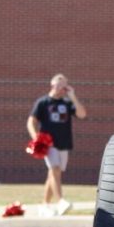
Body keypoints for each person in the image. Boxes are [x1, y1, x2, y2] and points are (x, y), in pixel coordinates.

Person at [28, 75, 86, 214]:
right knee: (55, 169)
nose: (61, 89)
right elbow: (31, 122)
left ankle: (44, 205)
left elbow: (82, 114)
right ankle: (60, 201)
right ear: (52, 85)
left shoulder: (67, 103)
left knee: (53, 173)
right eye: (59, 86)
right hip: (49, 144)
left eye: (64, 86)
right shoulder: (43, 102)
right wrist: (36, 138)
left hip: (64, 143)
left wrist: (73, 96)